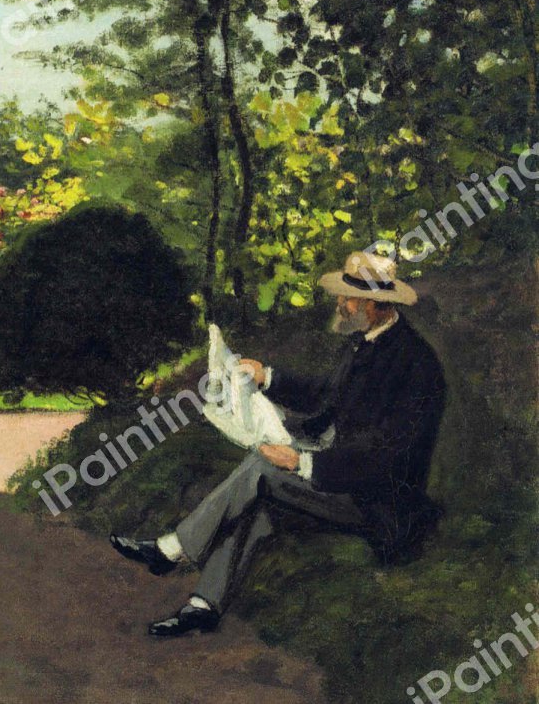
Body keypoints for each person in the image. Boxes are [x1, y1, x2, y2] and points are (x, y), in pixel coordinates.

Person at [109, 251, 447, 637]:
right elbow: (325, 396)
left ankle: (171, 551)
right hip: (342, 477)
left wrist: (302, 464)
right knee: (260, 502)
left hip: (380, 503)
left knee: (264, 469)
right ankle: (203, 605)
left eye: (348, 297)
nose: (340, 304)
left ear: (376, 304)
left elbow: (386, 459)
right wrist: (266, 376)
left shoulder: (416, 365)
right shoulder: (365, 343)